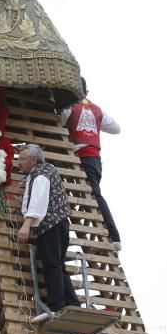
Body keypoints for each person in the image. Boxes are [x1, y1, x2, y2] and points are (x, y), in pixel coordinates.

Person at [15, 143, 80, 323]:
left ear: (33, 160)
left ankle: (56, 306)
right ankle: (73, 303)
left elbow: (39, 202)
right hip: (60, 224)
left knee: (52, 265)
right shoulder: (44, 170)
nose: (18, 163)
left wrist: (27, 225)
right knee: (58, 265)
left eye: (22, 159)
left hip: (50, 224)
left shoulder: (41, 174)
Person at [60, 78, 122, 250]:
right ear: (86, 93)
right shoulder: (96, 109)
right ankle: (110, 234)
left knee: (94, 196)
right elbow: (116, 128)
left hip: (81, 157)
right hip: (95, 158)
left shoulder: (69, 107)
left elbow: (60, 123)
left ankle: (113, 235)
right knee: (93, 195)